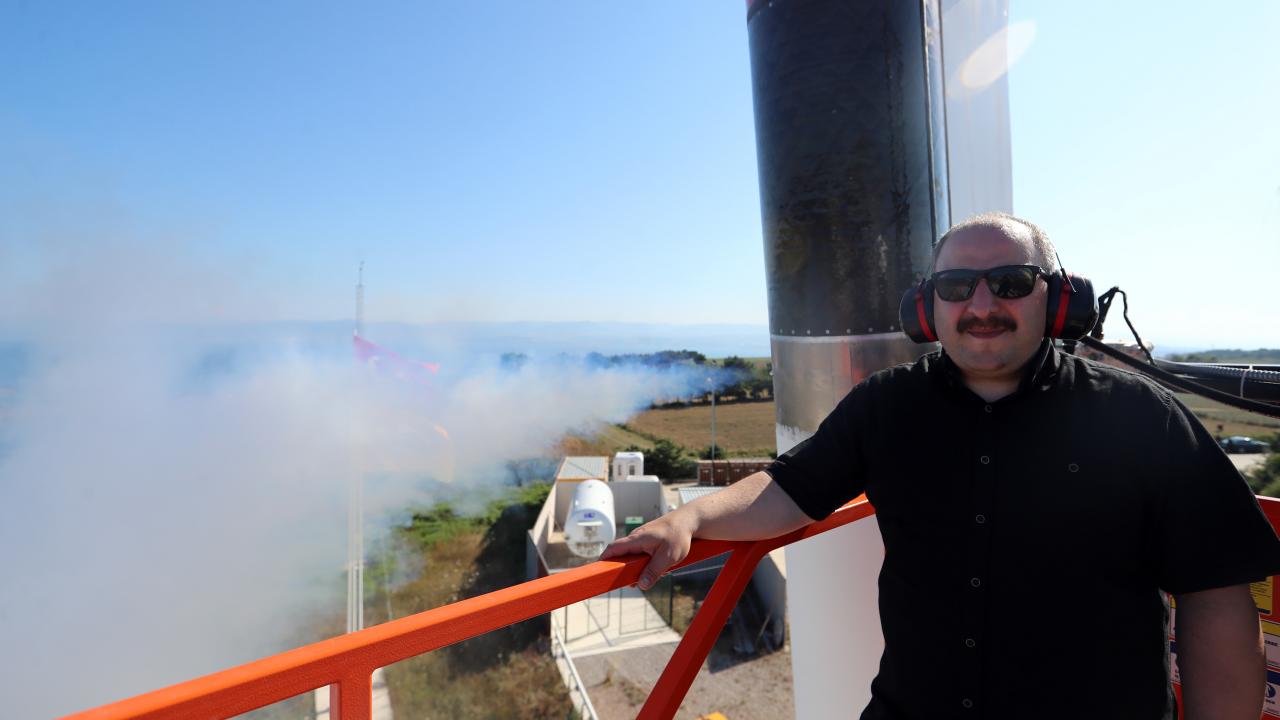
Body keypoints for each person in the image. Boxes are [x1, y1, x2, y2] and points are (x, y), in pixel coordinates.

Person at [602, 213, 1280, 719]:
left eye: (1010, 283)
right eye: (957, 287)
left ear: (1059, 300)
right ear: (928, 307)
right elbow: (790, 487)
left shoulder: (1141, 417)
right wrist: (689, 518)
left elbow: (1216, 595)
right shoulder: (885, 405)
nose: (982, 306)